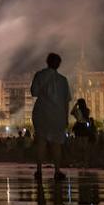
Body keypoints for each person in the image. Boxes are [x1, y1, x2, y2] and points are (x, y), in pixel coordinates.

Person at [30, 52, 71, 181]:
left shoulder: (40, 75)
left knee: (41, 142)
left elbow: (34, 92)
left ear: (47, 62)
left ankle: (39, 171)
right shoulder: (63, 80)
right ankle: (57, 171)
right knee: (57, 144)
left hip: (41, 113)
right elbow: (66, 101)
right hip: (58, 115)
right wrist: (66, 118)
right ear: (58, 64)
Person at [71, 98, 94, 167]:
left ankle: (80, 161)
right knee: (85, 146)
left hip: (78, 127)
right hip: (84, 127)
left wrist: (75, 105)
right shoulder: (87, 110)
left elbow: (71, 112)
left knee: (79, 146)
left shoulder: (77, 110)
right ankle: (85, 162)